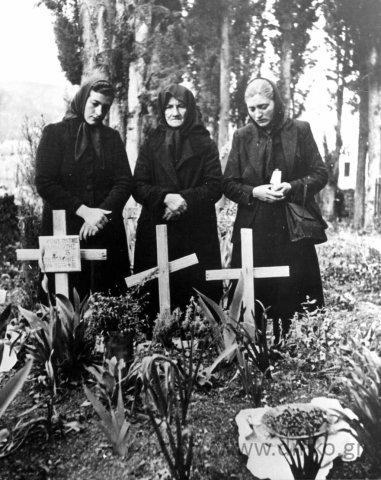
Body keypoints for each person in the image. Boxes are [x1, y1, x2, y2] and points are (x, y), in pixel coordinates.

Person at [223, 77, 328, 340]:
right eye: (252, 108)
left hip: (290, 227)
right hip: (254, 227)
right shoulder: (242, 136)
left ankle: (288, 347)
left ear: (276, 103)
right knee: (254, 294)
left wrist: (291, 187)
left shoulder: (300, 130)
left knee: (291, 291)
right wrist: (254, 192)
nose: (258, 114)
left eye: (264, 106)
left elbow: (320, 173)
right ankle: (254, 345)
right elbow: (228, 183)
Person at [35, 77, 133, 300]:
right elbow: (45, 182)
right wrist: (84, 211)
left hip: (104, 230)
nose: (99, 112)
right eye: (95, 103)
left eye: (105, 107)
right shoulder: (54, 134)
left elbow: (124, 182)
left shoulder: (112, 138)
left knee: (107, 303)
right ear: (82, 99)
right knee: (65, 303)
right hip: (65, 227)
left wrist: (100, 216)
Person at [133, 84, 223, 323]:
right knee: (153, 303)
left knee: (195, 303)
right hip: (157, 227)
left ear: (190, 109)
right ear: (162, 110)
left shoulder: (206, 144)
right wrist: (165, 197)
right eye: (169, 107)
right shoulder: (151, 143)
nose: (175, 113)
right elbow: (138, 185)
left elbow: (215, 185)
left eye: (181, 106)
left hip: (195, 231)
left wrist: (184, 200)